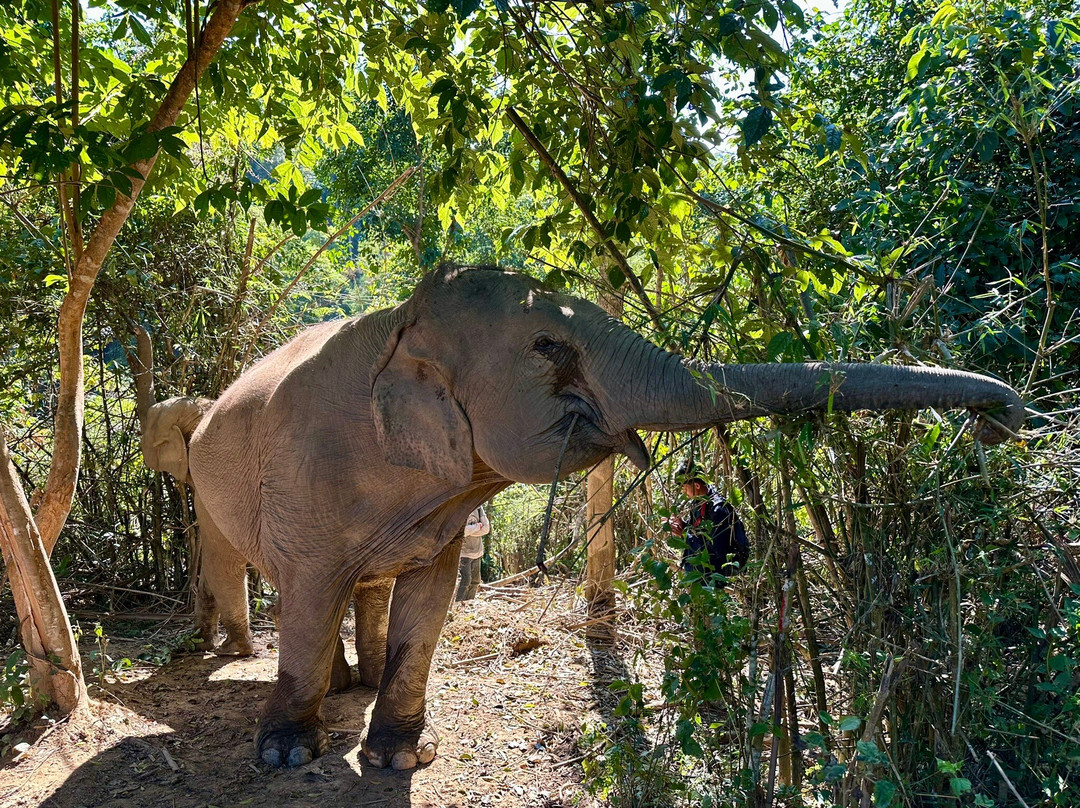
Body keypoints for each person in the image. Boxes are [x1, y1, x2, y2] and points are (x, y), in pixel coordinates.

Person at [666, 461, 749, 581]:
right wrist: (682, 525)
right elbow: (696, 531)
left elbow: (715, 550)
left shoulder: (718, 509)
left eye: (685, 488)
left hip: (720, 573)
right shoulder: (698, 503)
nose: (684, 492)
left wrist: (684, 535)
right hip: (703, 571)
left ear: (697, 486)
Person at [457, 505, 490, 601]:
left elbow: (486, 529)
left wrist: (471, 530)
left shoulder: (479, 507)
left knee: (475, 581)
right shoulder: (460, 507)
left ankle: (469, 602)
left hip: (477, 551)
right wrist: (478, 526)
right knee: (465, 580)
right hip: (464, 553)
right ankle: (459, 603)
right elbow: (460, 531)